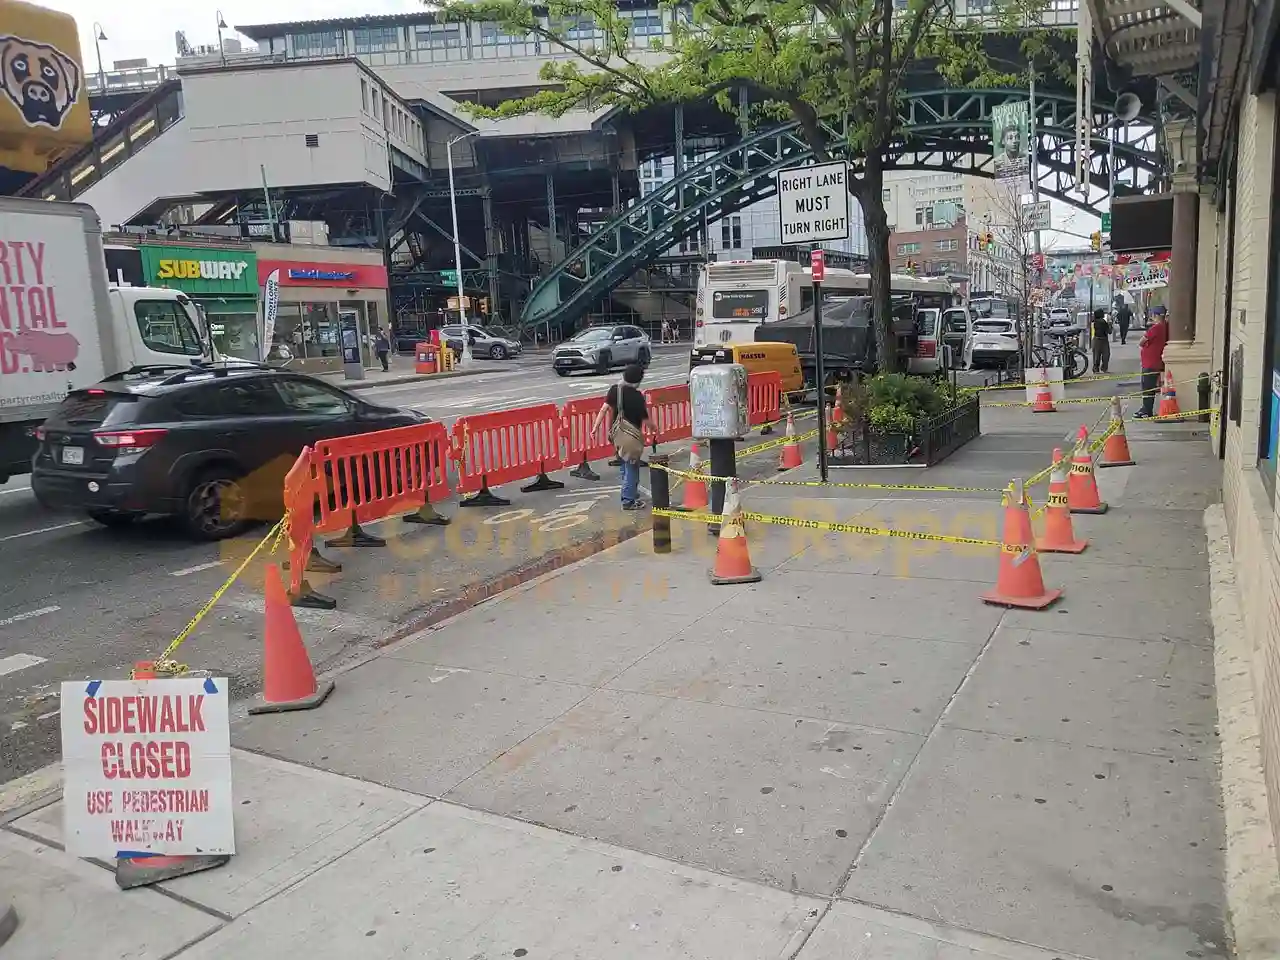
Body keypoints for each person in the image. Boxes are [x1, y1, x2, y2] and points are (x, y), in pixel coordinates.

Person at [593, 364, 649, 510]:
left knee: (624, 464)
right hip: (631, 438)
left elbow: (603, 409)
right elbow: (647, 420)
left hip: (617, 435)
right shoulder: (637, 397)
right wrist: (655, 429)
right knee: (632, 467)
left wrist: (595, 427)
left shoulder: (615, 390)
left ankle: (630, 492)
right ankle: (628, 500)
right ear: (638, 380)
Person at [1135, 306, 1169, 418]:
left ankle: (1146, 409)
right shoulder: (1167, 327)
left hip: (1150, 363)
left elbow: (1141, 341)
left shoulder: (1155, 328)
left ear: (1156, 315)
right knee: (1151, 387)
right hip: (1157, 362)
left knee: (1147, 387)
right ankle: (1147, 408)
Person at [1090, 309, 1111, 374]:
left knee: (1096, 356)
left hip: (1096, 339)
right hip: (1104, 340)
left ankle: (1096, 369)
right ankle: (1104, 368)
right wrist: (1110, 325)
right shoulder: (1103, 322)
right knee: (1106, 355)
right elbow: (1109, 331)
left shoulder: (1094, 322)